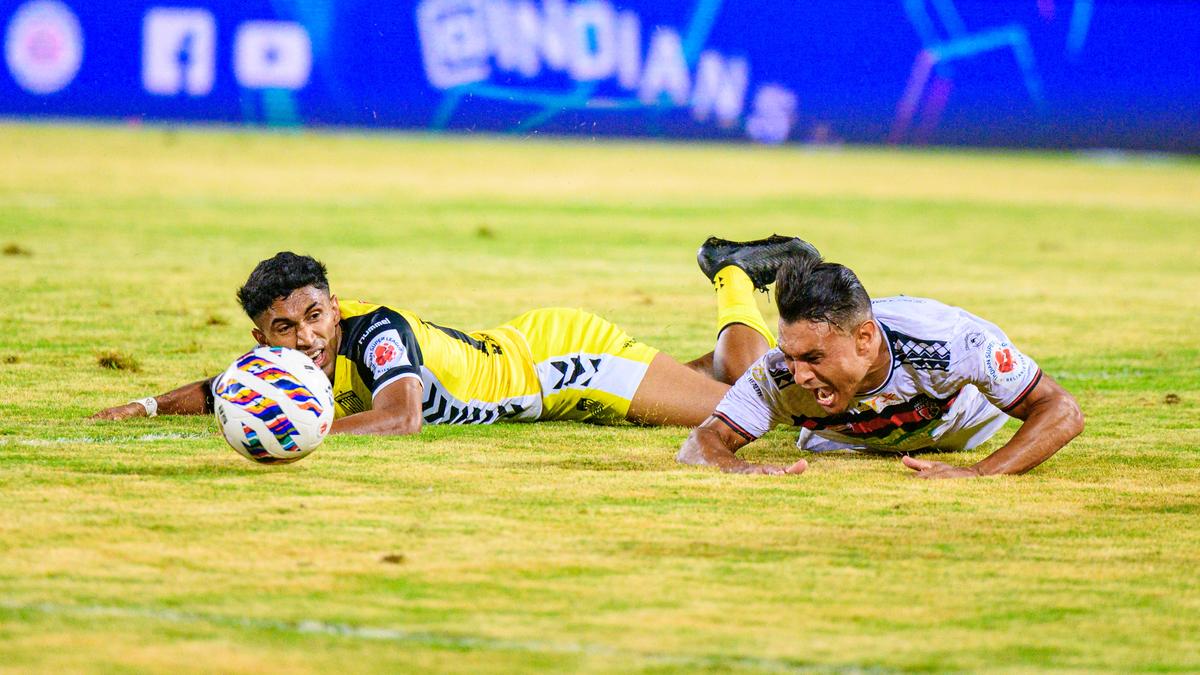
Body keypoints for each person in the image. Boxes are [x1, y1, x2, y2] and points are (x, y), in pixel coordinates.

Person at [92, 236, 821, 435]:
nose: (307, 337)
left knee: (749, 403)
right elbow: (222, 387)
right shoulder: (280, 358)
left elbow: (401, 417)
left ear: (334, 306)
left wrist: (309, 426)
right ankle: (731, 292)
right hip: (526, 356)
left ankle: (731, 272)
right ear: (262, 335)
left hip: (564, 363)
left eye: (315, 315)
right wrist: (147, 407)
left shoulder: (374, 332)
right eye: (285, 327)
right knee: (715, 380)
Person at [677, 257, 1084, 479]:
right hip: (852, 441)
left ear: (865, 339)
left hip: (963, 427)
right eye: (790, 355)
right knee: (746, 377)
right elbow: (701, 442)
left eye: (814, 358)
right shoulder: (779, 375)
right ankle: (734, 276)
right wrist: (739, 469)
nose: (798, 374)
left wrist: (980, 473)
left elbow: (1061, 410)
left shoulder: (951, 342)